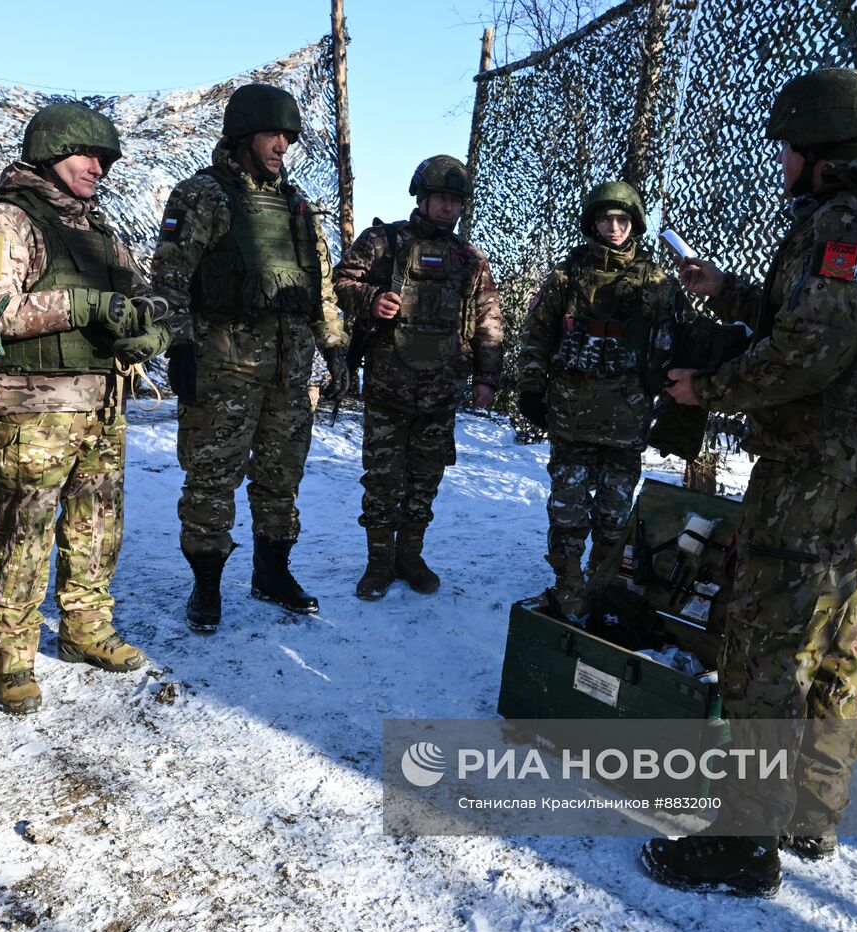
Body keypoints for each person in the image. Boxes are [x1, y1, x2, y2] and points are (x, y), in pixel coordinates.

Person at [643, 67, 857, 897]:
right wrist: (729, 289)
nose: (780, 163)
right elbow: (825, 317)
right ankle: (810, 813)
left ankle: (741, 841)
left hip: (819, 471)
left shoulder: (846, 222)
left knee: (769, 646)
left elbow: (809, 351)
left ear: (820, 147)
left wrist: (706, 389)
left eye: (787, 148)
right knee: (839, 641)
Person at [0, 102, 171, 713]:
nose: (99, 168)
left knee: (97, 526)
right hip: (35, 408)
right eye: (89, 155)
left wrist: (149, 326)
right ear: (52, 154)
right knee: (24, 532)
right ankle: (12, 654)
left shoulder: (100, 231)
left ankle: (85, 630)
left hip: (104, 402)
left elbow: (142, 294)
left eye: (104, 159)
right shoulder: (7, 222)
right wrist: (80, 307)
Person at [150, 84, 347, 631]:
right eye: (272, 134)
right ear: (242, 136)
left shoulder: (299, 206)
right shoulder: (202, 196)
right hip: (223, 371)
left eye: (288, 136)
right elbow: (169, 279)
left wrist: (334, 348)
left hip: (289, 372)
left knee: (281, 478)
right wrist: (181, 346)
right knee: (211, 479)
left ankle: (272, 573)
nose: (282, 144)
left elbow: (319, 286)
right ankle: (207, 585)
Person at [331, 156, 503, 599]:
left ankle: (410, 555)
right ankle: (378, 563)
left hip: (442, 393)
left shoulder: (470, 260)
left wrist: (487, 377)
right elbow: (339, 281)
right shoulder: (383, 241)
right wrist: (371, 298)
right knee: (382, 479)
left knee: (425, 480)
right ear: (422, 198)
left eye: (455, 200)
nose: (448, 208)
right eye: (440, 199)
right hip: (389, 387)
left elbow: (488, 321)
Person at [515, 181, 684, 613]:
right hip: (571, 417)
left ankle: (603, 586)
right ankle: (568, 587)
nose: (614, 227)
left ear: (635, 225)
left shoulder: (658, 283)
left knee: (614, 514)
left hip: (627, 420)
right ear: (592, 222)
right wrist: (531, 388)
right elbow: (536, 336)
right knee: (567, 510)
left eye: (623, 219)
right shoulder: (566, 277)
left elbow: (678, 347)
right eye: (606, 219)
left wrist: (673, 407)